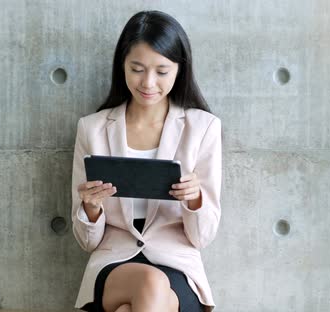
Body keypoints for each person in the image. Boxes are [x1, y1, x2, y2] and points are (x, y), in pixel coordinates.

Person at [70, 10, 222, 312]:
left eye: (162, 72)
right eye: (137, 69)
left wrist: (194, 200)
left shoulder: (203, 128)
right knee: (149, 284)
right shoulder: (93, 128)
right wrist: (90, 207)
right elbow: (87, 241)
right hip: (115, 262)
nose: (148, 83)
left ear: (180, 70)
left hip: (176, 265)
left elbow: (202, 237)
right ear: (122, 66)